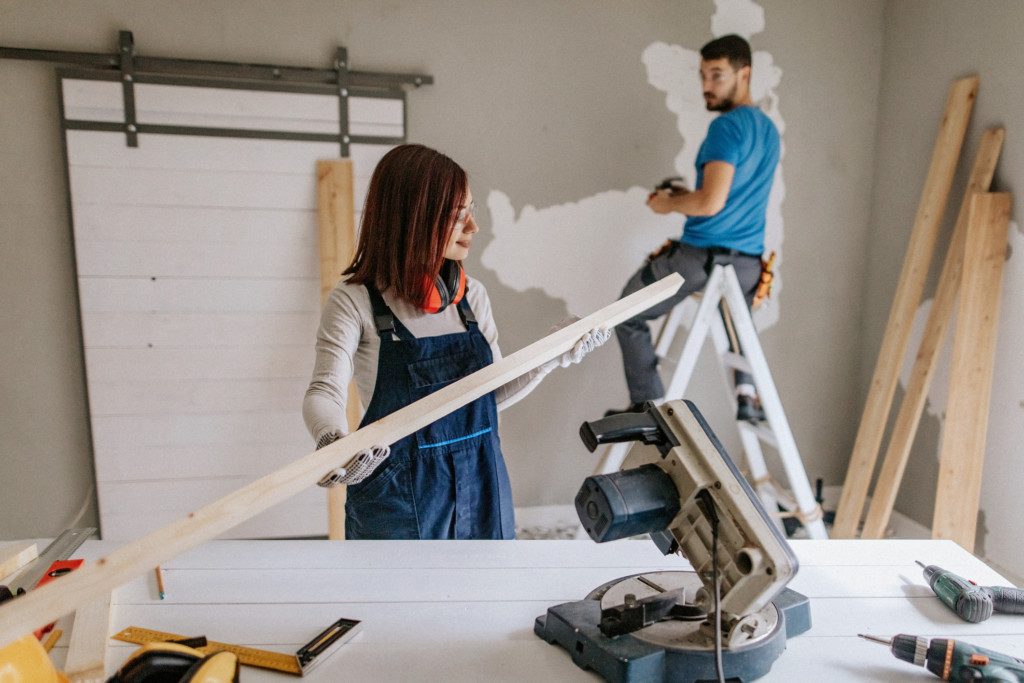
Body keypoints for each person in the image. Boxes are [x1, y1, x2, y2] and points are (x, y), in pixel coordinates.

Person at [303, 143, 608, 540]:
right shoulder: (354, 302)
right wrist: (334, 442)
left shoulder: (471, 297)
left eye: (472, 211)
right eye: (456, 216)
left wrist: (554, 351)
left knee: (487, 596)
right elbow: (323, 391)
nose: (473, 227)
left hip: (482, 484)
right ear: (413, 220)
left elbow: (489, 394)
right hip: (399, 499)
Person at [609, 34, 779, 422]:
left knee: (625, 313)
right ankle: (747, 394)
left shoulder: (727, 128)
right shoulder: (767, 130)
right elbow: (727, 196)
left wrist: (668, 203)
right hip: (748, 265)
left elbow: (711, 203)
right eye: (703, 75)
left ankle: (649, 409)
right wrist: (693, 195)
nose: (706, 86)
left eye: (717, 75)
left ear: (745, 73)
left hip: (700, 258)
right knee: (740, 332)